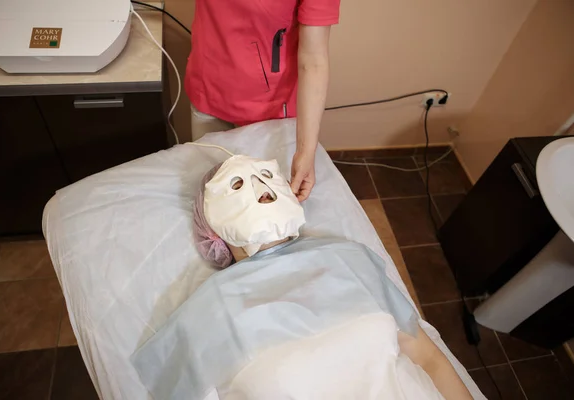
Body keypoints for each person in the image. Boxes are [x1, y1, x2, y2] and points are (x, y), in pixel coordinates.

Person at [132, 156, 475, 400]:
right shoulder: (205, 314)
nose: (259, 188)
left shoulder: (348, 258)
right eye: (235, 185)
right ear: (211, 229)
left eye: (266, 177)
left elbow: (429, 358)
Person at [185, 0, 341, 202]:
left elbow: (314, 62)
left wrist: (305, 150)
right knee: (214, 200)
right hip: (208, 90)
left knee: (266, 210)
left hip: (269, 111)